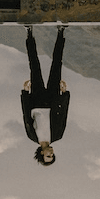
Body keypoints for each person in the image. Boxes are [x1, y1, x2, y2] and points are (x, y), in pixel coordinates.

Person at [21, 24, 69, 166]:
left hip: (37, 98)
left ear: (42, 153)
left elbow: (25, 114)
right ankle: (61, 32)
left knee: (34, 65)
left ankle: (29, 33)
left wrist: (25, 92)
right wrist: (64, 94)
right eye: (52, 155)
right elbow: (64, 114)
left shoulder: (31, 136)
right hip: (53, 99)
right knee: (57, 65)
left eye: (49, 156)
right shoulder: (58, 135)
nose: (51, 153)